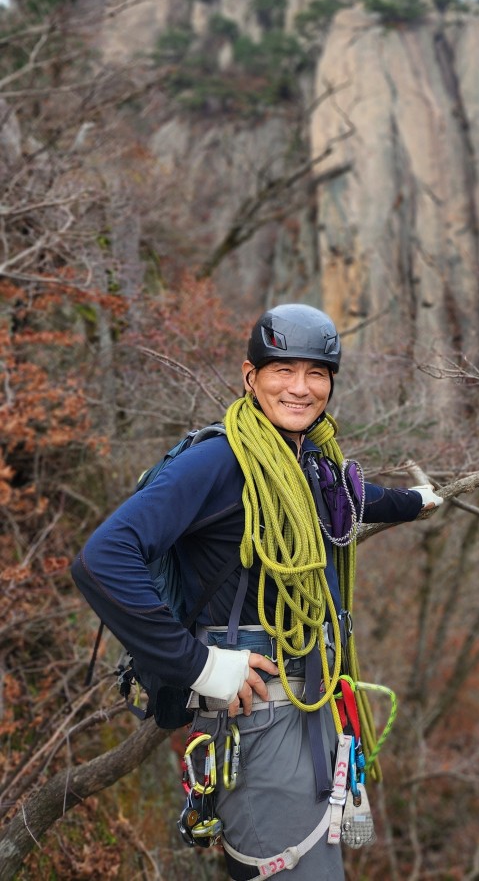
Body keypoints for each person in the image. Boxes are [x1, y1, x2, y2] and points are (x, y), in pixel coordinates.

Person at [72, 303, 442, 879]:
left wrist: (416, 502)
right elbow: (102, 559)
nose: (301, 387)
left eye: (316, 373)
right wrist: (197, 665)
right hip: (258, 712)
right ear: (251, 377)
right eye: (282, 371)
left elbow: (343, 499)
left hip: (310, 702)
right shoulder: (219, 461)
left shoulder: (305, 458)